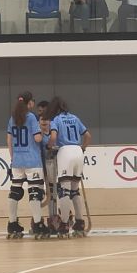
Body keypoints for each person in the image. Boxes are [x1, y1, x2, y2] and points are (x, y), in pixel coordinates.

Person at [46, 96, 92, 237]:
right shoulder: (75, 118)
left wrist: (49, 146)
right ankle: (79, 222)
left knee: (64, 191)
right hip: (78, 151)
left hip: (65, 152)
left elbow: (53, 137)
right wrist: (83, 148)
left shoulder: (56, 120)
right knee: (75, 191)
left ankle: (64, 224)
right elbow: (88, 136)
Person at [5, 91, 46, 239]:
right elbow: (37, 139)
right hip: (32, 160)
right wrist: (43, 132)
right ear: (30, 103)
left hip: (17, 160)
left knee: (15, 191)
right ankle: (38, 224)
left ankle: (12, 224)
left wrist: (13, 158)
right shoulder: (31, 117)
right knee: (35, 191)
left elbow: (9, 140)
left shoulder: (12, 118)